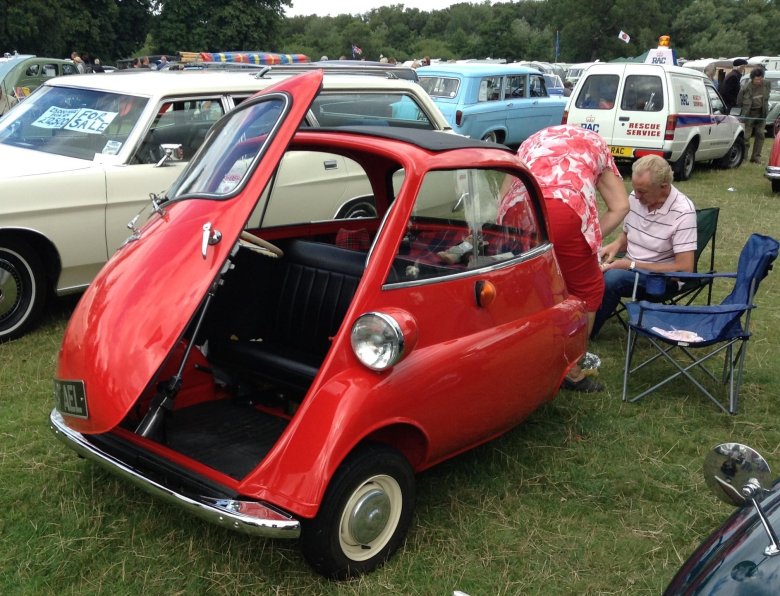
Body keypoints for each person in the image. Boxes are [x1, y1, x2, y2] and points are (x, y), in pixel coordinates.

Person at [516, 125, 630, 392]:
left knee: (531, 287)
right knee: (588, 290)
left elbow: (509, 186)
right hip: (562, 211)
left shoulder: (533, 139)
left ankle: (524, 359)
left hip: (519, 210)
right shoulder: (597, 145)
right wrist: (591, 236)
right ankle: (572, 371)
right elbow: (621, 205)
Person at [592, 155, 697, 338]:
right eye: (635, 190)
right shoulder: (635, 197)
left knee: (612, 278)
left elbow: (685, 269)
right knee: (585, 265)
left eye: (643, 192)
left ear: (664, 187)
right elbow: (628, 234)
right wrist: (615, 245)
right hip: (629, 267)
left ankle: (586, 335)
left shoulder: (683, 212)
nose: (637, 196)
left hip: (659, 280)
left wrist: (631, 265)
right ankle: (572, 324)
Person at [736, 67, 770, 163]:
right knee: (746, 136)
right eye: (757, 79)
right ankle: (744, 157)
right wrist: (741, 112)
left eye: (761, 78)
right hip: (749, 114)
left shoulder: (767, 84)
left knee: (760, 135)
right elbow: (739, 101)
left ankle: (756, 157)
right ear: (752, 78)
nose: (759, 81)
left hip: (761, 113)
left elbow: (767, 97)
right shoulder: (746, 87)